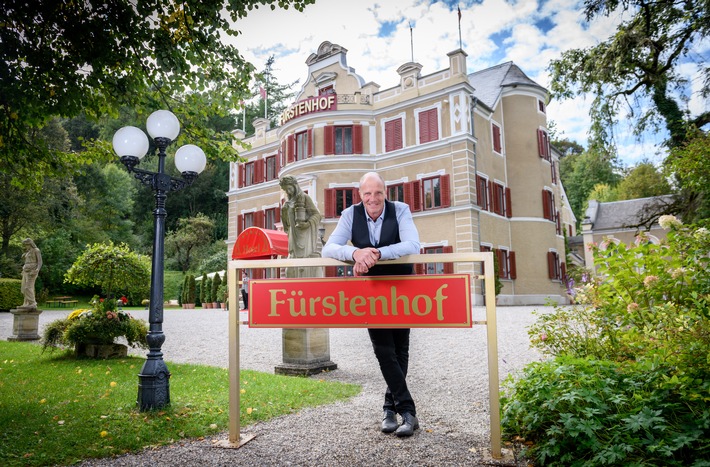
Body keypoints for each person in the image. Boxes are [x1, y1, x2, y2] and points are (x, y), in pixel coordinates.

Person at [322, 172, 421, 437]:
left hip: (402, 289)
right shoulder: (349, 214)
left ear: (385, 192)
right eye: (368, 193)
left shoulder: (400, 210)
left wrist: (376, 253)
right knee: (383, 349)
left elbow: (413, 244)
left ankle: (390, 408)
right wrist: (355, 253)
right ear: (360, 194)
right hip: (372, 291)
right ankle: (408, 411)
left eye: (378, 193)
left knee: (400, 348)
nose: (373, 198)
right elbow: (329, 248)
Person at [20, 238, 43, 309]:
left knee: (28, 287)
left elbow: (40, 261)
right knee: (24, 287)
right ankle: (26, 303)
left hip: (32, 271)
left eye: (26, 245)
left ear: (30, 244)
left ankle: (32, 303)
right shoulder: (28, 252)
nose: (26, 246)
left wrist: (37, 269)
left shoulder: (36, 250)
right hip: (25, 271)